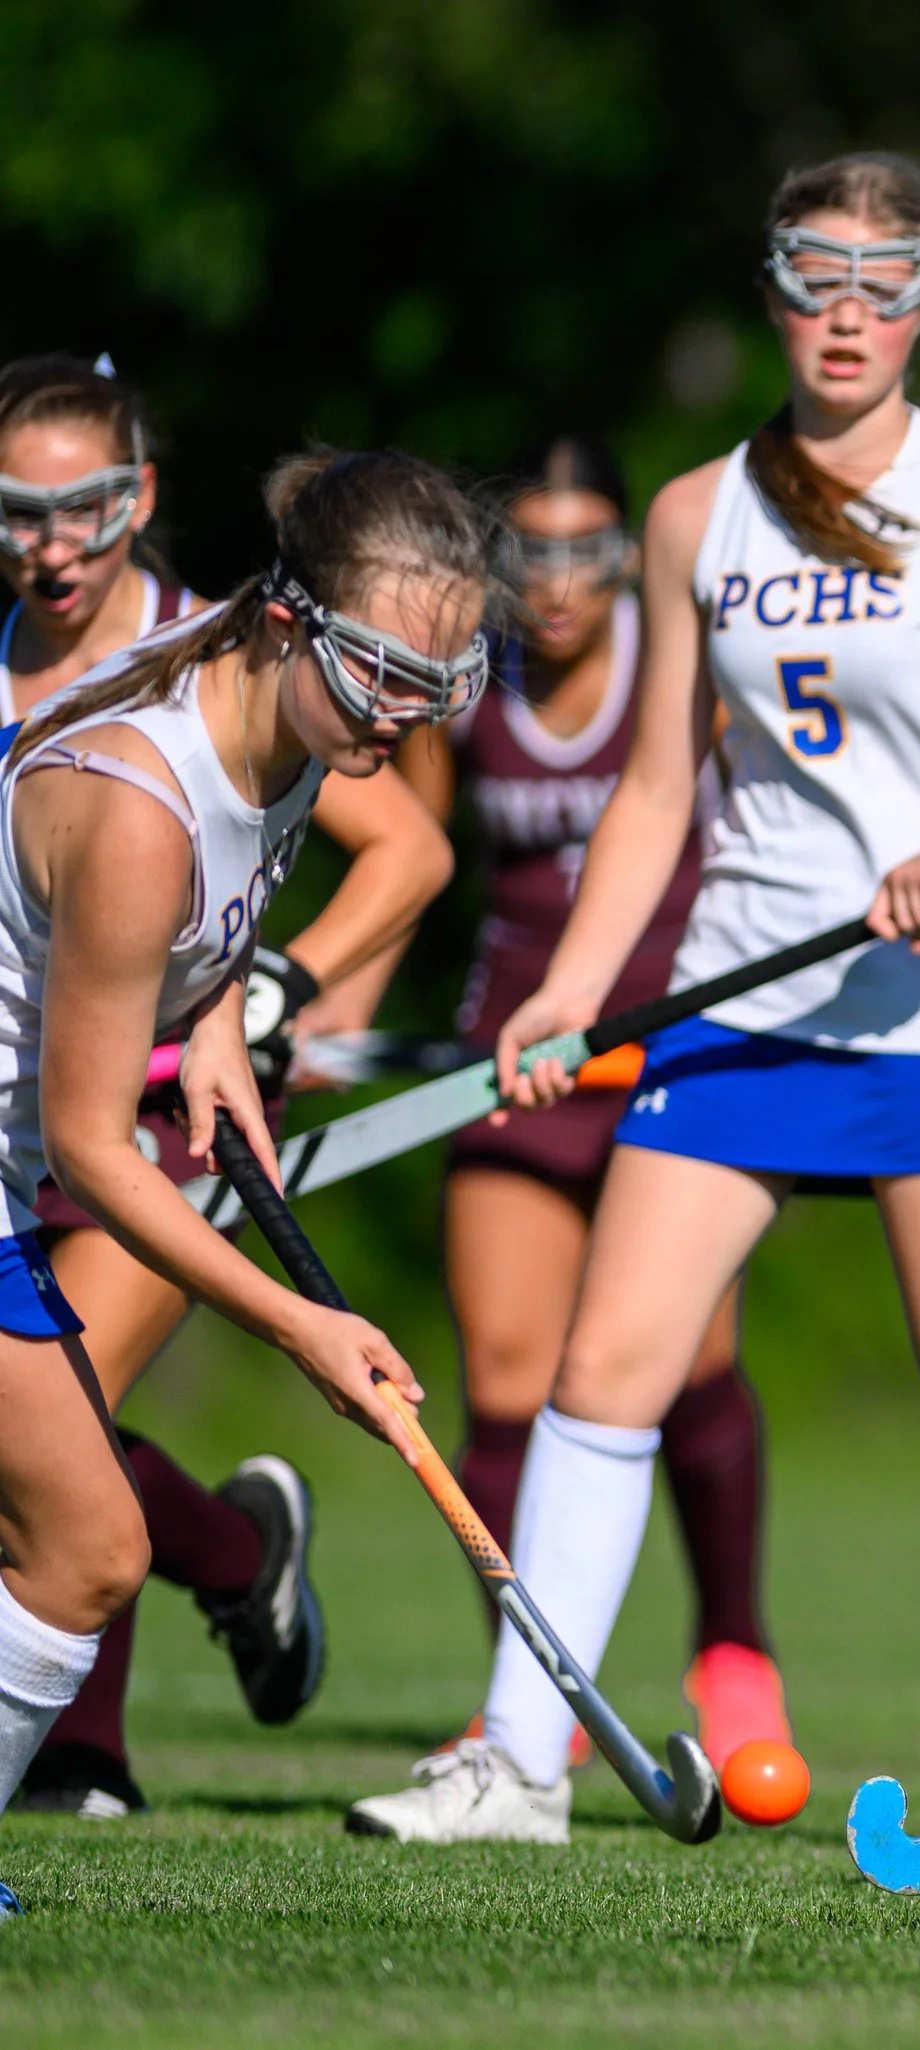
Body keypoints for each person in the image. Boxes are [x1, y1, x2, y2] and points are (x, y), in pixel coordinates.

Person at [345, 151, 920, 1857]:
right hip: (740, 1010)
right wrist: (576, 995)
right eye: (817, 275)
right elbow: (659, 791)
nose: (850, 313)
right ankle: (521, 1762)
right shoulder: (691, 513)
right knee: (605, 1371)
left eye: (886, 281)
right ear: (773, 295)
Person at [0, 445, 500, 1913]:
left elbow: (195, 929)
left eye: (443, 684)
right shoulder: (143, 799)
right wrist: (302, 1328)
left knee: (83, 1543)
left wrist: (213, 1017)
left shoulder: (284, 725)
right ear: (289, 624)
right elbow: (97, 1143)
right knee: (88, 1543)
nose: (406, 717)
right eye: (386, 676)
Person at [376, 434, 782, 1765]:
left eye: (585, 549)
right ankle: (532, 1697)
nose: (555, 582)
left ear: (625, 555)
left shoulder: (684, 681)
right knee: (501, 1376)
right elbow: (419, 851)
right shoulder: (467, 689)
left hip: (670, 1050)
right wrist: (331, 1000)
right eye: (528, 550)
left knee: (688, 1366)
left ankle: (734, 1646)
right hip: (518, 1054)